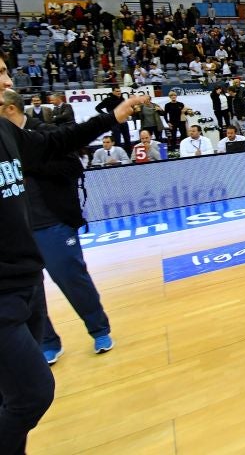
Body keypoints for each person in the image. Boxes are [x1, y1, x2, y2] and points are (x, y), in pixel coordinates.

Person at [0, 58, 145, 453]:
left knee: (15, 395)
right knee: (31, 394)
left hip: (32, 261)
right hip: (5, 291)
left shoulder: (10, 134)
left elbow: (61, 146)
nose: (9, 79)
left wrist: (112, 116)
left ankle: (98, 330)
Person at [0, 89, 115, 366]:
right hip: (19, 229)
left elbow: (72, 167)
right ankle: (48, 342)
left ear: (10, 110)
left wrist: (29, 169)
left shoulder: (42, 131)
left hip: (52, 221)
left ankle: (99, 329)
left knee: (71, 277)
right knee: (32, 291)